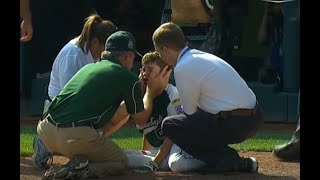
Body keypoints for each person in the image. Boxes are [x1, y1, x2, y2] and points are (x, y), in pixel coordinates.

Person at [35, 30, 171, 179]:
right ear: (127, 56)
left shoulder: (89, 68)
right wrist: (150, 92)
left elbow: (118, 115)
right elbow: (140, 119)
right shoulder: (127, 77)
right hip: (74, 137)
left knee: (89, 145)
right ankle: (76, 171)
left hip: (45, 130)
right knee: (120, 161)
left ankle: (73, 166)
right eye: (133, 58)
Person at [152, 22, 263, 173]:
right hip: (254, 118)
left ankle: (228, 159)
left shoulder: (183, 67)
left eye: (159, 52)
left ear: (165, 49)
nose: (160, 56)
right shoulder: (199, 56)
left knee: (171, 125)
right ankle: (229, 159)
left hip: (237, 123)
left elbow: (189, 114)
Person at [32, 13, 118, 170]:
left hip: (77, 105)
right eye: (105, 48)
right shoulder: (73, 53)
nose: (107, 53)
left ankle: (79, 149)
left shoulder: (92, 52)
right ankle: (44, 142)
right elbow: (69, 94)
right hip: (59, 108)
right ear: (95, 41)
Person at [104, 51, 206, 173]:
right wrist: (144, 152)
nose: (145, 73)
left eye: (150, 70)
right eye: (143, 69)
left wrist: (155, 163)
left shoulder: (172, 94)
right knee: (122, 155)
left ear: (165, 72)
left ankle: (212, 159)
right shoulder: (143, 97)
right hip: (162, 151)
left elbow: (175, 134)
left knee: (176, 164)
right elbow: (148, 129)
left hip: (180, 147)